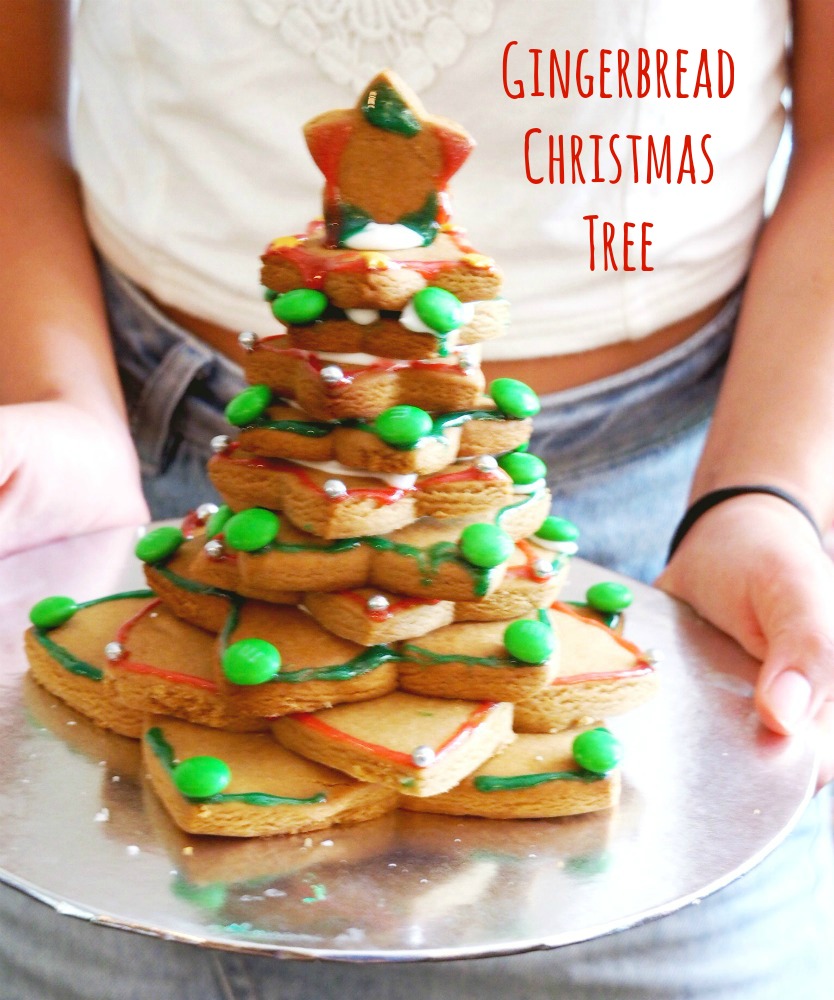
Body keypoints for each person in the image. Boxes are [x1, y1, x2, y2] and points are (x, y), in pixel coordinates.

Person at [0, 1, 832, 998]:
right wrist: (54, 398)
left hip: (668, 525)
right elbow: (13, 104)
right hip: (143, 498)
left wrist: (767, 493)